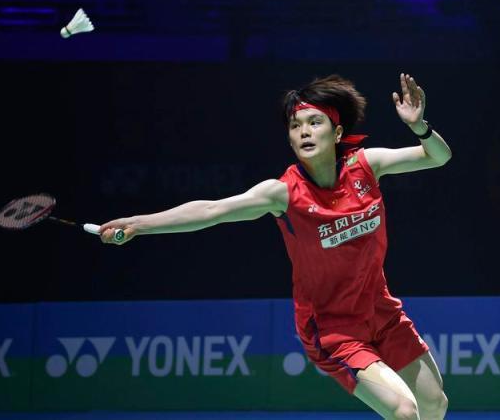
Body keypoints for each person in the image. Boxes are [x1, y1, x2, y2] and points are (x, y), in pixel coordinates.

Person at [99, 73, 451, 420]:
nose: (304, 132)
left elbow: (438, 157)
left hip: (381, 312)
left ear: (337, 133)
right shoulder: (283, 193)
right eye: (296, 126)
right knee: (404, 411)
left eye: (314, 123)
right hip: (333, 329)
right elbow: (211, 211)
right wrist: (138, 224)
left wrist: (419, 127)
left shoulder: (366, 166)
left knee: (434, 404)